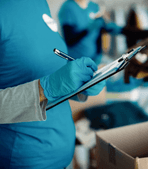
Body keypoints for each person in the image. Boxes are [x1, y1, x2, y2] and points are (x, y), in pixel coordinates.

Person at [0, 0, 105, 168]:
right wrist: (45, 88)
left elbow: (48, 68)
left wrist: (80, 85)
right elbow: (48, 85)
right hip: (22, 159)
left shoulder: (39, 3)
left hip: (62, 153)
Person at [58, 0, 123, 65]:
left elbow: (101, 31)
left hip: (95, 59)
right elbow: (69, 40)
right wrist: (88, 29)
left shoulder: (94, 6)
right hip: (77, 61)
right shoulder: (67, 8)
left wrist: (125, 30)